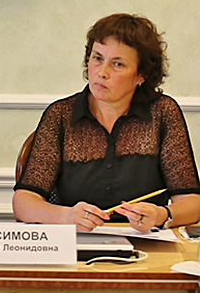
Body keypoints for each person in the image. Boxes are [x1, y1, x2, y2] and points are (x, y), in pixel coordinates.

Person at [13, 13, 200, 232]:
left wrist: (162, 215)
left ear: (141, 75)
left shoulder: (162, 113)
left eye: (117, 64)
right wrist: (66, 216)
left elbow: (191, 202)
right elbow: (23, 202)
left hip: (146, 244)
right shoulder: (61, 115)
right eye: (97, 58)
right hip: (77, 243)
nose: (102, 72)